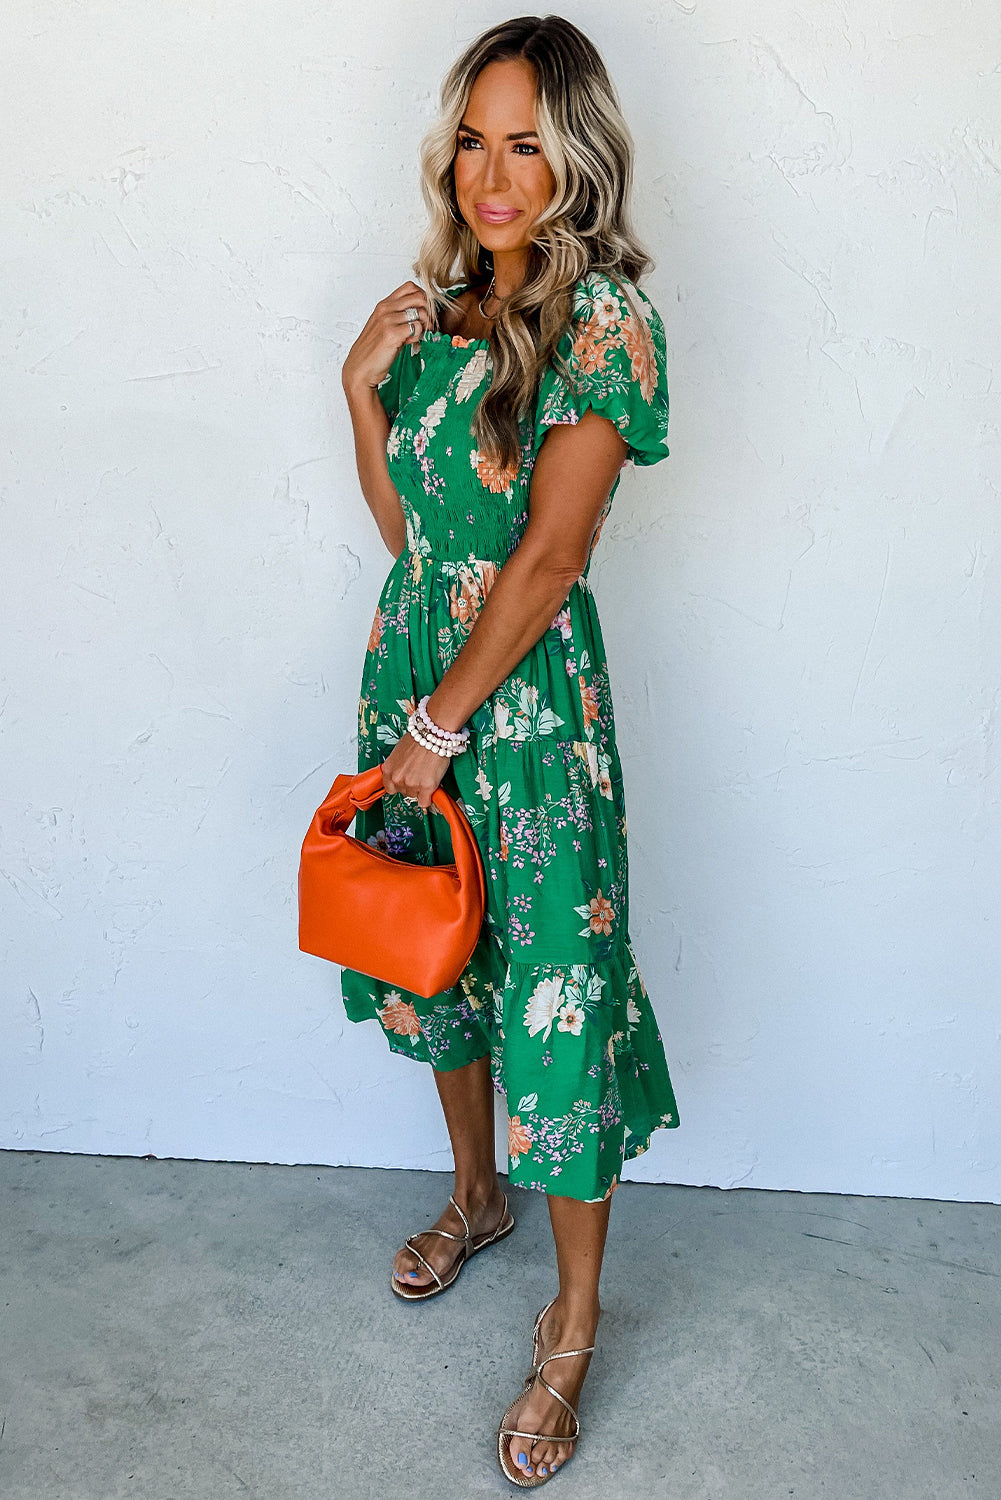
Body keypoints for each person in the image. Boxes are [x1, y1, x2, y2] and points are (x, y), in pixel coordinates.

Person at [337, 15, 680, 1488]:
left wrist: (437, 732)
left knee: (552, 994)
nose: (493, 172)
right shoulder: (441, 310)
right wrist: (358, 391)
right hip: (418, 690)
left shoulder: (605, 323)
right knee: (439, 967)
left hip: (521, 723)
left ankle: (572, 1322)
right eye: (474, 137)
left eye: (526, 141)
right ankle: (475, 1197)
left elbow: (543, 564)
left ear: (578, 157)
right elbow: (421, 545)